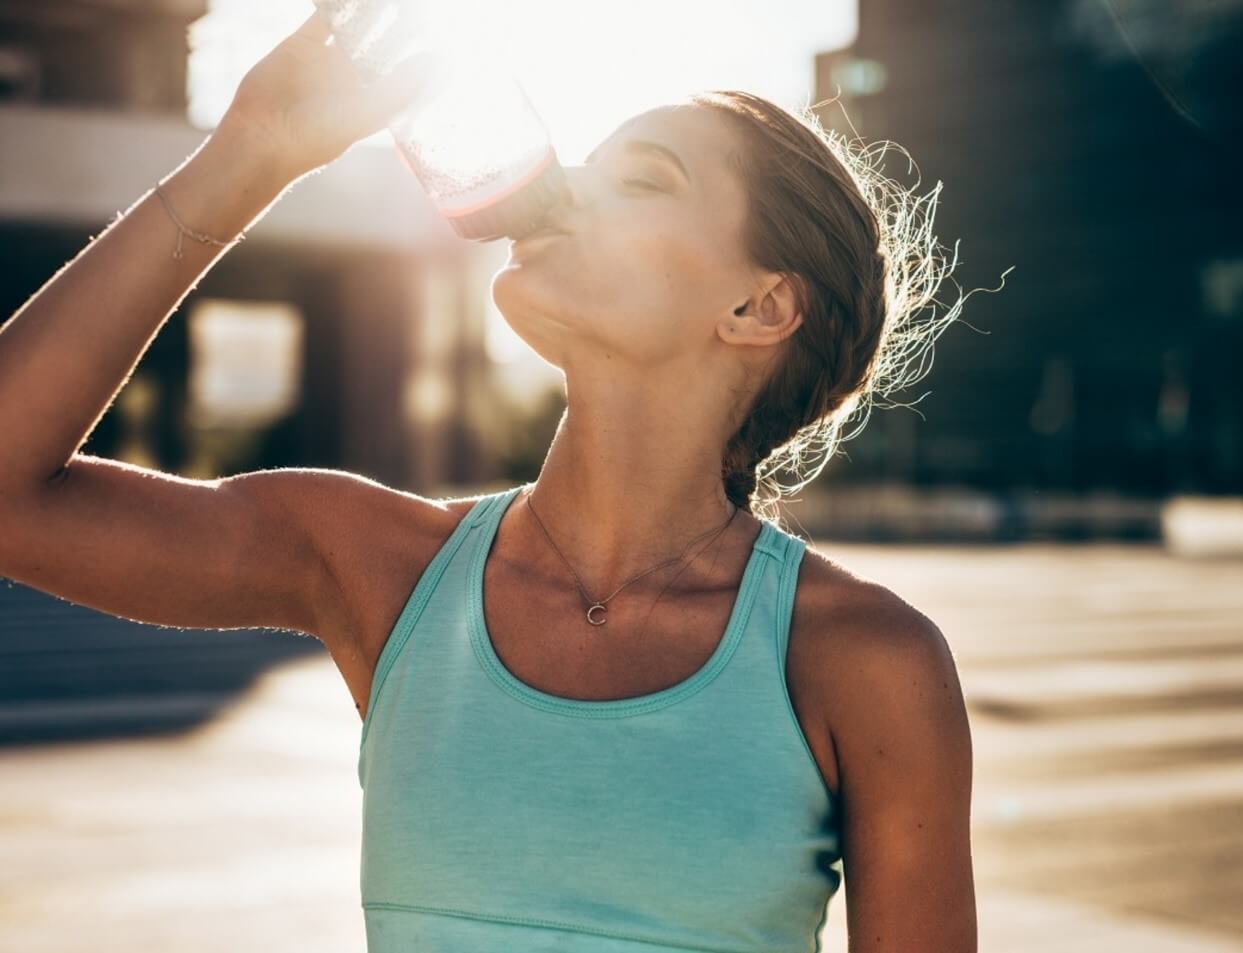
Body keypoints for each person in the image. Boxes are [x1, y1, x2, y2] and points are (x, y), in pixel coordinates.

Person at [0, 12, 976, 952]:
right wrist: (251, 150)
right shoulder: (377, 566)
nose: (568, 182)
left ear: (759, 305)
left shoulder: (865, 660)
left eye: (642, 177)